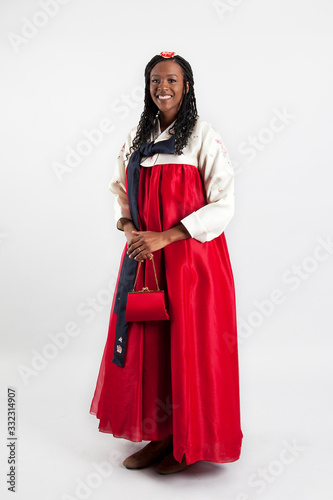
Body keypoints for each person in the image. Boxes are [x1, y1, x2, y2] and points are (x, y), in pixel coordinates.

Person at [90, 51, 243, 475]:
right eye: (156, 80)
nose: (164, 87)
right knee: (150, 347)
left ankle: (188, 440)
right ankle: (159, 436)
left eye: (173, 80)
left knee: (190, 347)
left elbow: (223, 204)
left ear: (187, 86)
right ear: (148, 86)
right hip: (146, 262)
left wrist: (166, 236)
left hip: (193, 264)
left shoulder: (203, 137)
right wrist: (129, 230)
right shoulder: (137, 139)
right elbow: (121, 190)